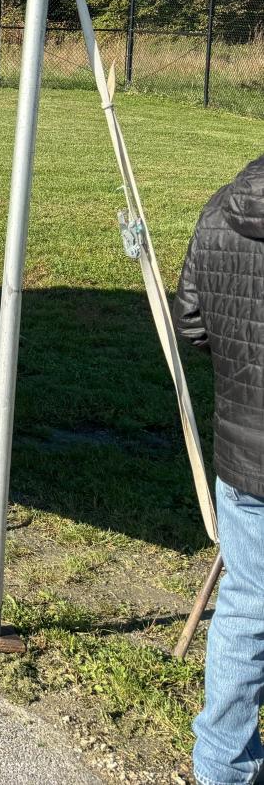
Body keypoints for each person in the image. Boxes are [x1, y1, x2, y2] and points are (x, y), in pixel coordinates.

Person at [175, 154, 264, 785]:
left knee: (244, 611)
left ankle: (222, 768)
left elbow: (194, 324)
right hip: (243, 451)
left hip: (241, 452)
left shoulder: (218, 209)